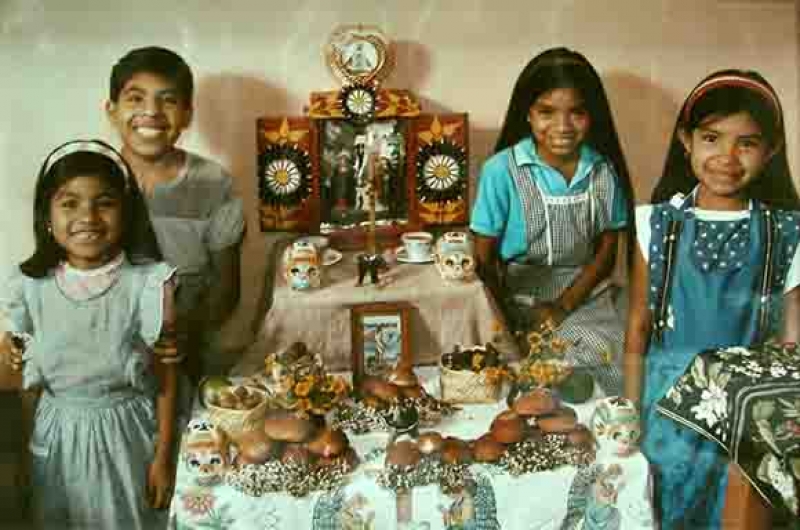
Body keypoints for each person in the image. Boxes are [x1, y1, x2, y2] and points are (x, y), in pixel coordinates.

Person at [624, 69, 800, 528]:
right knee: (665, 507)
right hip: (666, 401)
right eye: (712, 138)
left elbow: (791, 342)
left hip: (745, 415)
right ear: (686, 140)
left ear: (772, 149)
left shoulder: (787, 233)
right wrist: (626, 410)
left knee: (734, 513)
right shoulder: (655, 224)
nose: (727, 156)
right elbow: (639, 324)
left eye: (747, 143)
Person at [0, 140, 181, 528]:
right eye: (70, 203)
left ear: (126, 213)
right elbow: (20, 382)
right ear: (46, 215)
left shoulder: (148, 283)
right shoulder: (29, 287)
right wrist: (21, 456)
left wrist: (163, 456)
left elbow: (167, 376)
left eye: (104, 202)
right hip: (56, 440)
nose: (88, 216)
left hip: (128, 438)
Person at [470, 47, 634, 396]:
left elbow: (606, 255)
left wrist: (563, 306)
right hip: (515, 294)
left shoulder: (602, 171)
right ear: (527, 113)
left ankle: (583, 410)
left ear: (593, 116)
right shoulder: (501, 171)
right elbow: (482, 260)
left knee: (604, 350)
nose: (562, 127)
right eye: (547, 112)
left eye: (576, 112)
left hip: (583, 293)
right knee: (509, 368)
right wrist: (508, 317)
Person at [105, 46, 245, 380]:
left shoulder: (212, 181)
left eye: (167, 100)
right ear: (111, 110)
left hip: (186, 346)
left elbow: (226, 287)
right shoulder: (89, 178)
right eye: (135, 98)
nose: (151, 112)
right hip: (103, 346)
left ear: (186, 114)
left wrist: (181, 335)